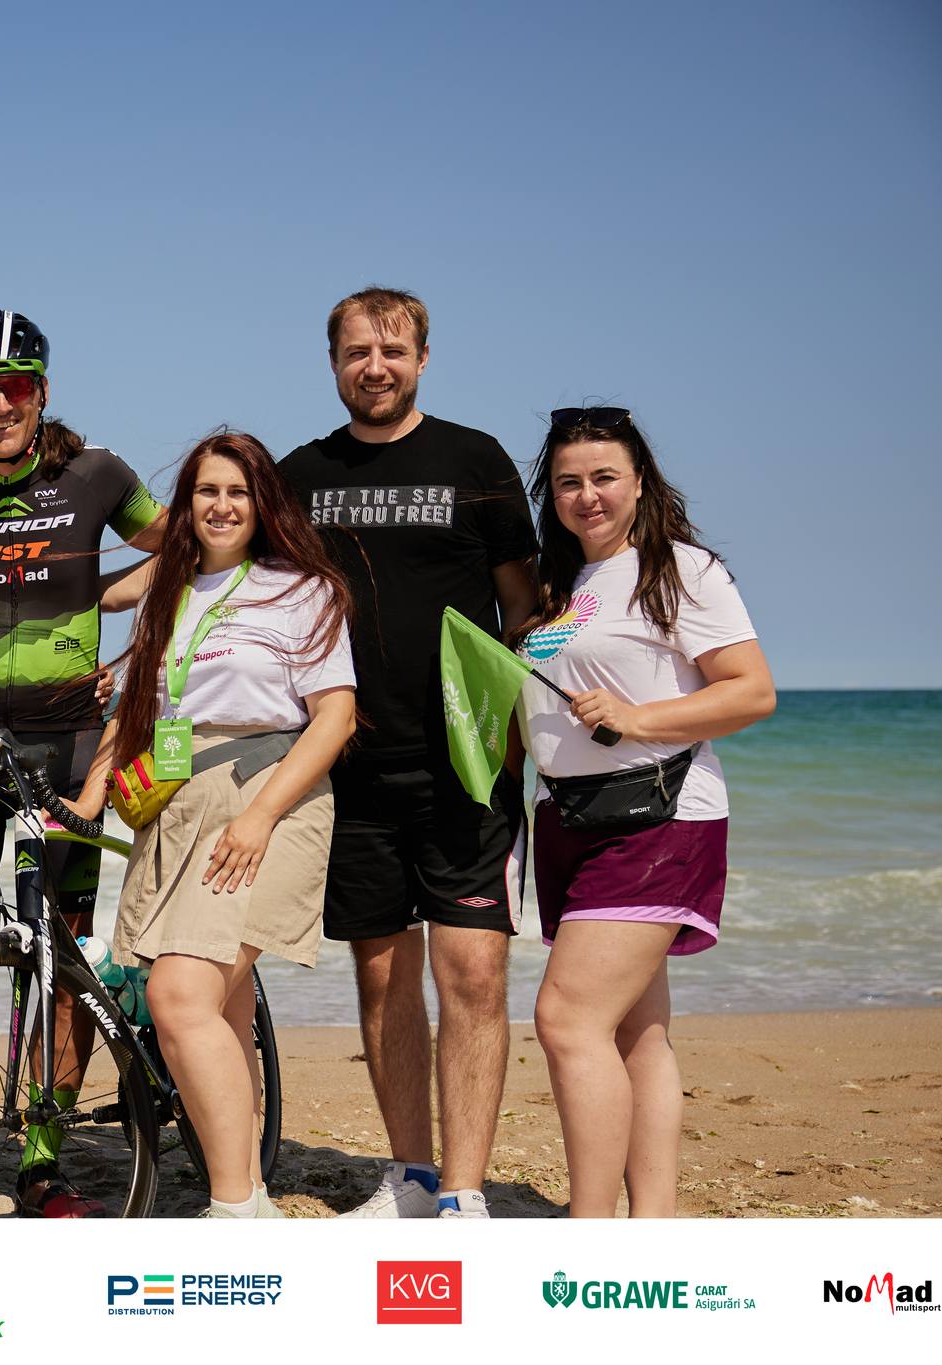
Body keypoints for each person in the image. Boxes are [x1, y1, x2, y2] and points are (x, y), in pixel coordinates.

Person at [0, 308, 165, 1216]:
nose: (0, 404)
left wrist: (113, 613)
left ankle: (44, 1165)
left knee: (63, 962)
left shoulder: (98, 476)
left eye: (15, 387)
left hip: (70, 745)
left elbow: (185, 547)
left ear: (42, 392)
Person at [276, 287, 538, 1218]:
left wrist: (514, 738)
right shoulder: (301, 475)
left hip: (467, 764)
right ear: (333, 363)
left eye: (392, 350)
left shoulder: (476, 460)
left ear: (423, 358)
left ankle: (465, 1192)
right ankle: (414, 1178)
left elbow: (525, 608)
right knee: (383, 975)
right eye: (357, 352)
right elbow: (251, 596)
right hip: (350, 764)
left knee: (473, 974)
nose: (375, 367)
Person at [68, 431, 356, 1218]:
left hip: (268, 795)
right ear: (186, 505)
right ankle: (250, 1195)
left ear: (263, 503)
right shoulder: (170, 592)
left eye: (237, 491)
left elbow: (335, 718)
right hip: (178, 803)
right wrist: (90, 798)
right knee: (221, 1008)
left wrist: (260, 816)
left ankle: (233, 1208)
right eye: (206, 491)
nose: (221, 506)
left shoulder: (301, 590)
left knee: (178, 996)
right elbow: (141, 712)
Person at [517, 406, 775, 1217]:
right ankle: (653, 1224)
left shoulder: (681, 570)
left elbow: (752, 691)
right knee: (636, 1030)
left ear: (639, 482)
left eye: (604, 477)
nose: (586, 495)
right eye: (569, 482)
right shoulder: (562, 584)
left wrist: (638, 718)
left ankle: (591, 1228)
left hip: (658, 816)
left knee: (567, 1018)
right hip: (570, 820)